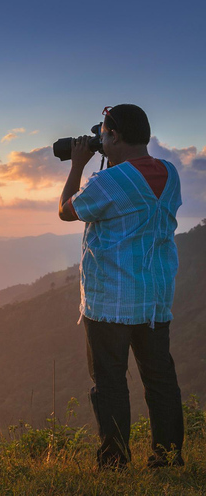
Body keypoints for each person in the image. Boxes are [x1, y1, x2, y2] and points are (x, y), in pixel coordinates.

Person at [58, 104, 184, 469]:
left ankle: (114, 460)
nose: (100, 140)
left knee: (110, 382)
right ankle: (167, 455)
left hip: (110, 300)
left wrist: (78, 164)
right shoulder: (170, 173)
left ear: (113, 135)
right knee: (160, 379)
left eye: (103, 134)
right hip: (155, 297)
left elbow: (67, 210)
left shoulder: (108, 182)